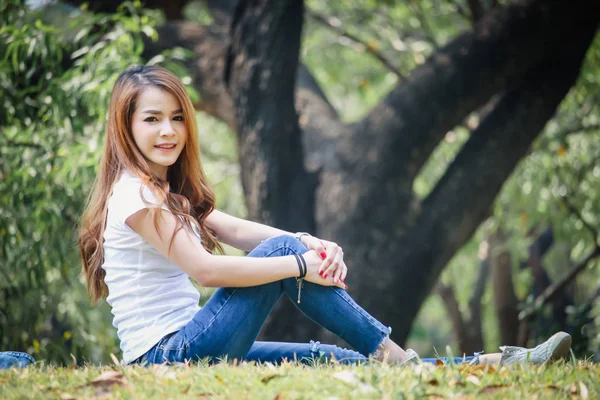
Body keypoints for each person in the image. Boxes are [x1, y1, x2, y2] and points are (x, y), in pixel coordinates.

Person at [78, 65, 572, 367]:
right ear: (126, 127)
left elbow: (234, 228)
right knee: (282, 254)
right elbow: (207, 270)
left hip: (193, 345)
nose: (169, 130)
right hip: (165, 356)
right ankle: (402, 361)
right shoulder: (134, 196)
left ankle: (497, 361)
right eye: (152, 119)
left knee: (332, 356)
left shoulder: (163, 193)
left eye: (177, 117)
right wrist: (297, 264)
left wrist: (308, 241)